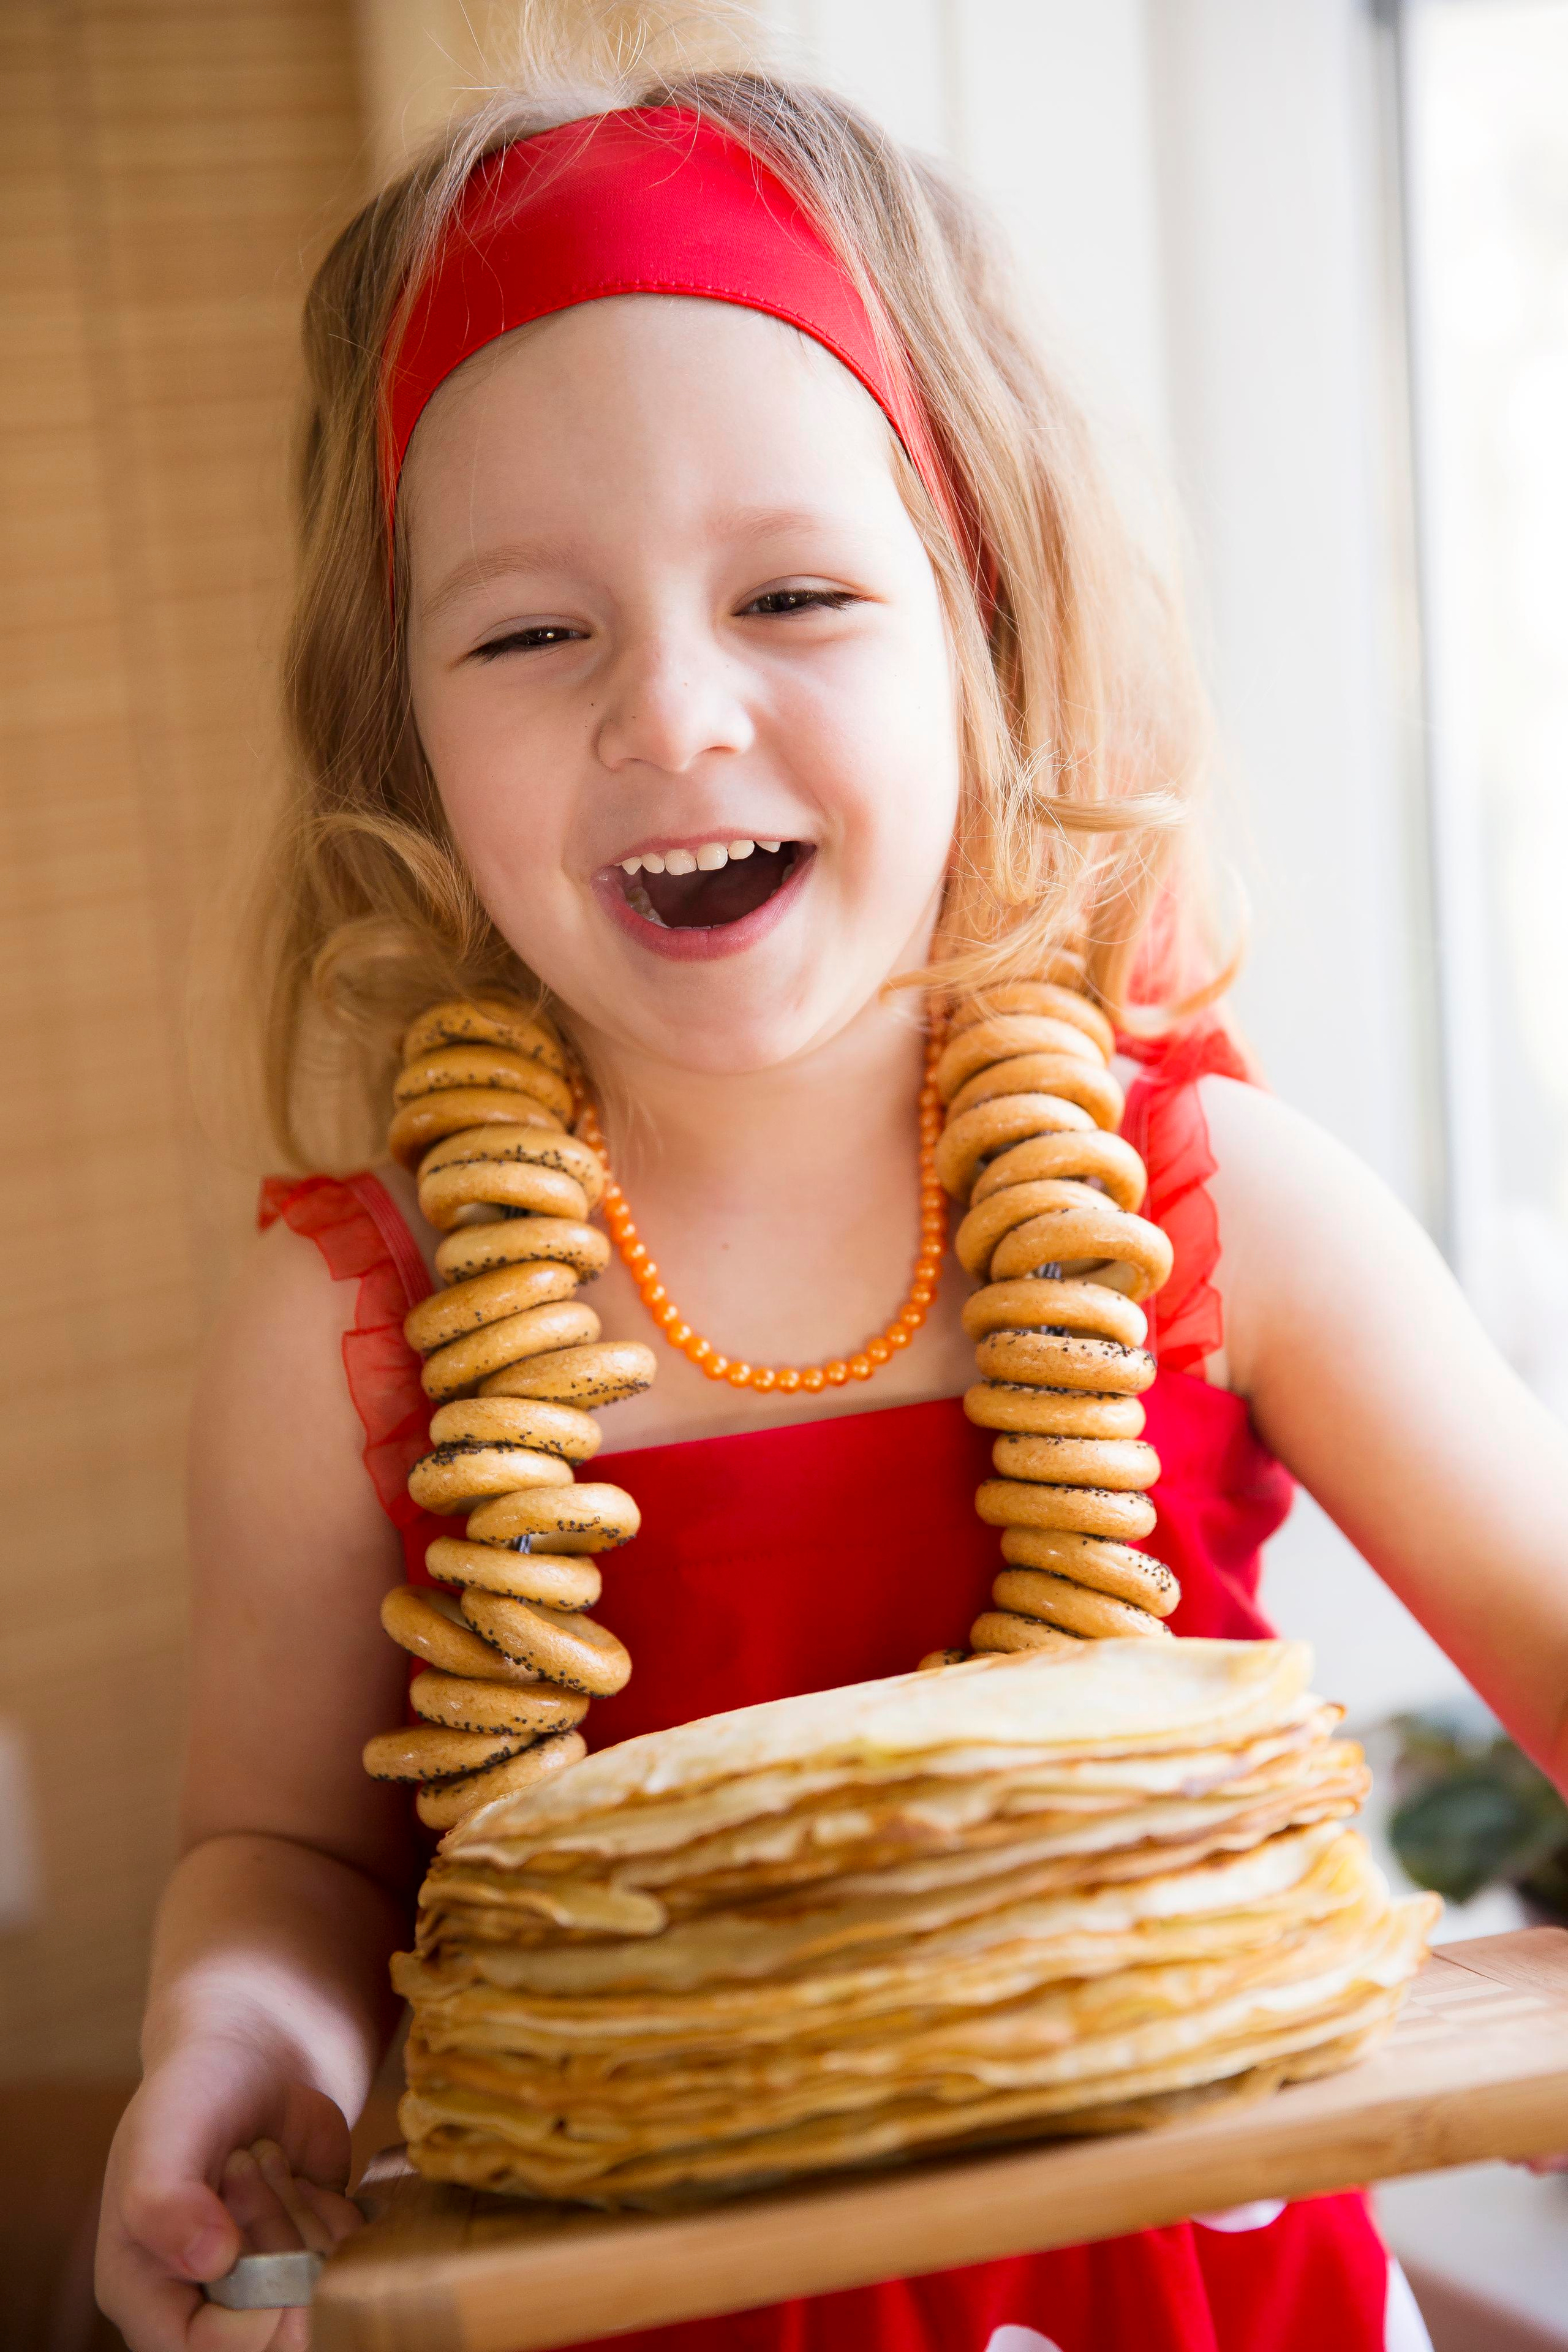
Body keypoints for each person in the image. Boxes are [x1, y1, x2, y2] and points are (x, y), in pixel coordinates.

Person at [96, 17, 1568, 2352]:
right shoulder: (347, 1335)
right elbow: (279, 1857)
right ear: (408, 725)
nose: (669, 712)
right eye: (528, 629)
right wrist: (247, 2040)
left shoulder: (1207, 1204)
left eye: (794, 598)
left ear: (985, 638)